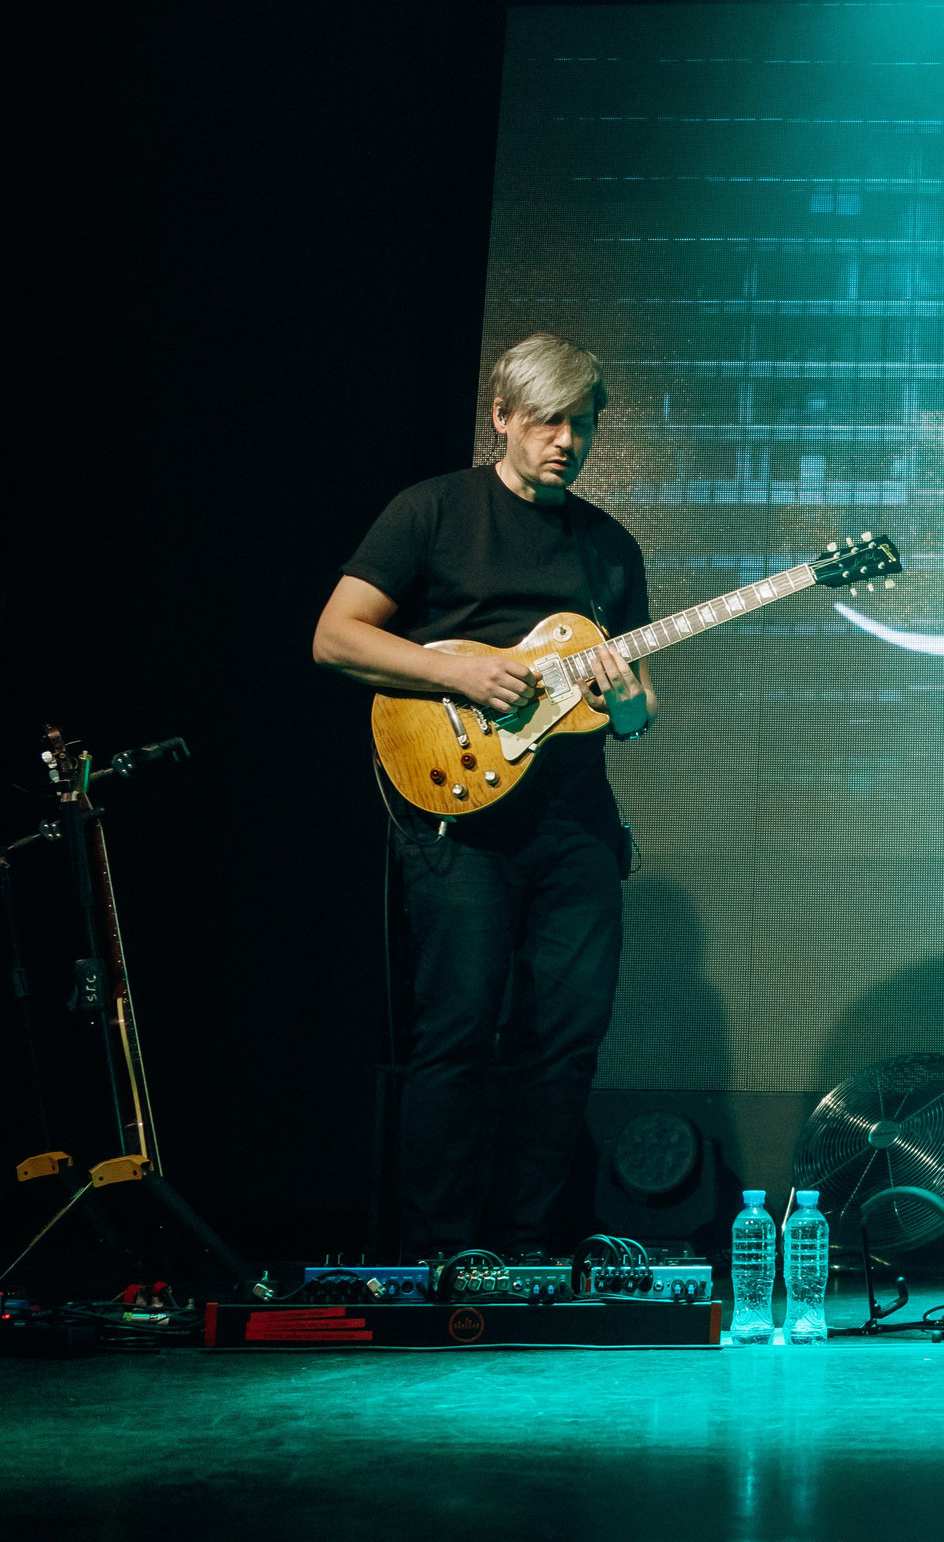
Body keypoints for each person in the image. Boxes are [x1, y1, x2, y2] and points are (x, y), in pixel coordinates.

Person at [313, 333, 657, 1259]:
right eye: (546, 421)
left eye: (580, 425)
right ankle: (442, 1257)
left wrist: (629, 700)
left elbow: (633, 716)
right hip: (454, 819)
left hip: (575, 827)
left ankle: (528, 1249)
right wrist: (463, 675)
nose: (564, 441)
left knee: (566, 1039)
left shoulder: (610, 548)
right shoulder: (431, 511)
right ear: (501, 416)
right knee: (457, 1038)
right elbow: (336, 637)